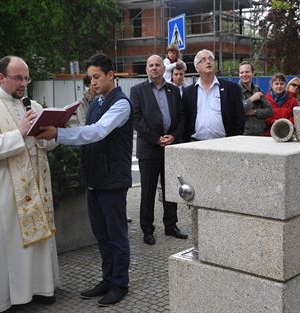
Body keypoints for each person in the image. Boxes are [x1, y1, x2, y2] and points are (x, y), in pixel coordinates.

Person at [0, 56, 60, 312]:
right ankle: (8, 297)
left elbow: (47, 145)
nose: (24, 83)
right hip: (6, 188)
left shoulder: (34, 106)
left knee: (38, 240)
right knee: (8, 243)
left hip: (36, 184)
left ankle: (41, 288)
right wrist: (19, 133)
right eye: (18, 78)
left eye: (27, 78)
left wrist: (49, 135)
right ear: (1, 77)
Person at [37, 53, 132, 306]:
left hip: (113, 181)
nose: (93, 82)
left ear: (111, 75)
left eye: (97, 77)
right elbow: (88, 136)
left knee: (116, 235)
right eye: (90, 78)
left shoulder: (121, 104)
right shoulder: (98, 103)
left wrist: (59, 134)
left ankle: (120, 284)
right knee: (101, 235)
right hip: (94, 179)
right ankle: (107, 279)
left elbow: (97, 132)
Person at [130, 55, 187, 245]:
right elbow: (137, 119)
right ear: (146, 69)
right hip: (149, 149)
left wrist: (174, 136)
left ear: (164, 68)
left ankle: (171, 225)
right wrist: (156, 139)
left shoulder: (173, 90)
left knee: (171, 189)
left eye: (157, 65)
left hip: (171, 147)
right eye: (150, 65)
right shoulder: (137, 90)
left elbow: (181, 116)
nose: (154, 68)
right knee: (147, 191)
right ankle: (147, 228)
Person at [183, 49, 245, 142]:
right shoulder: (188, 92)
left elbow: (240, 117)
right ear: (197, 68)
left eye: (210, 59)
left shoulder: (231, 88)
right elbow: (185, 119)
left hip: (225, 143)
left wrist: (234, 140)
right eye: (203, 60)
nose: (208, 62)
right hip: (196, 144)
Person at [238, 61, 272, 136]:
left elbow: (270, 111)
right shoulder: (235, 91)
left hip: (260, 133)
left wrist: (254, 112)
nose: (244, 75)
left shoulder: (258, 90)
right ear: (239, 74)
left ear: (253, 73)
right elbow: (237, 111)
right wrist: (251, 99)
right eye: (242, 72)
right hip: (243, 134)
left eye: (247, 72)